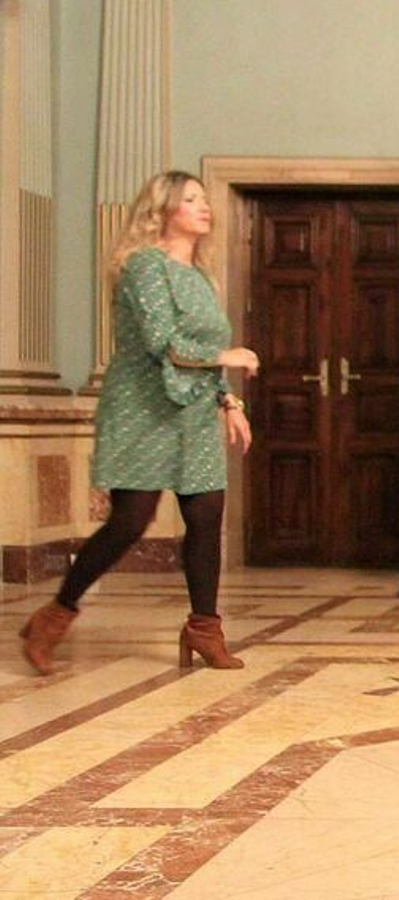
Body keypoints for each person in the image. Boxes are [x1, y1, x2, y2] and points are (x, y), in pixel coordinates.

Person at [19, 171, 259, 675]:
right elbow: (163, 343)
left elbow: (204, 357)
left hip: (192, 411)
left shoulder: (199, 275)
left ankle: (204, 628)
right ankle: (54, 615)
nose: (203, 206)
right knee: (131, 520)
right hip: (141, 409)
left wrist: (228, 401)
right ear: (164, 209)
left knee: (205, 516)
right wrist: (228, 354)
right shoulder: (143, 266)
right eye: (190, 199)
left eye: (203, 198)